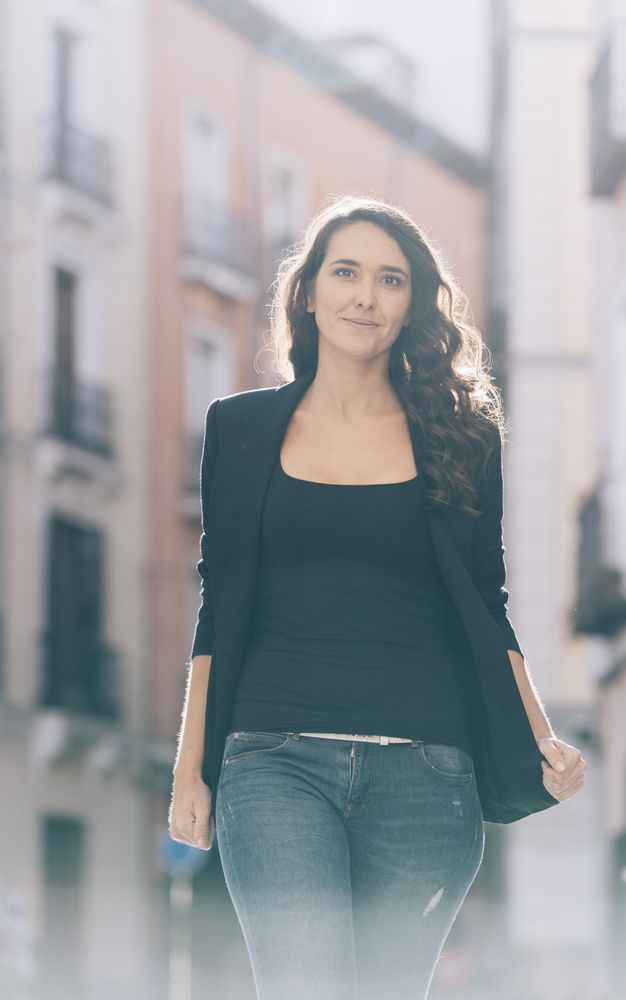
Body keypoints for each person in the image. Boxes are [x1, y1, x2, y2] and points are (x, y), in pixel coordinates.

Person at [169, 195, 587, 999]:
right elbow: (216, 606)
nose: (366, 295)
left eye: (390, 279)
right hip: (271, 762)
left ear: (413, 302)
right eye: (347, 273)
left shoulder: (461, 436)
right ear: (309, 293)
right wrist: (190, 773)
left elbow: (486, 600)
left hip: (428, 773)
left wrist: (542, 737)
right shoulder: (240, 429)